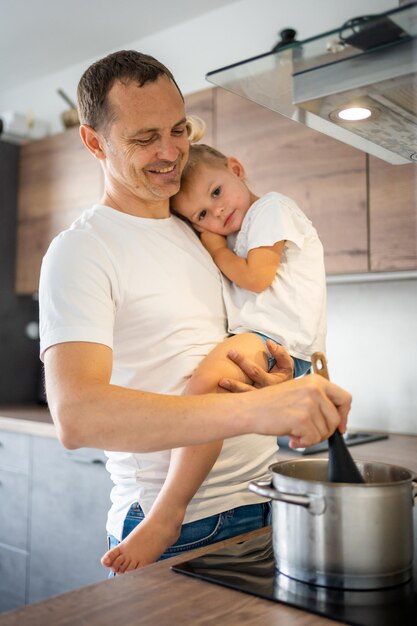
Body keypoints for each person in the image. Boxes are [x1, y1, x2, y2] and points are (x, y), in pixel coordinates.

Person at [38, 50, 351, 576]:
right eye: (143, 138)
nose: (170, 152)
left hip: (265, 501)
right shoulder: (83, 249)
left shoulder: (203, 234)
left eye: (178, 129)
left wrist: (271, 384)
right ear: (95, 141)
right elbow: (77, 416)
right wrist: (255, 412)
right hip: (181, 528)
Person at [101, 142, 327, 573]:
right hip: (271, 340)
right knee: (215, 393)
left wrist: (217, 248)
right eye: (201, 214)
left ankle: (167, 515)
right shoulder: (245, 229)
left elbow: (258, 279)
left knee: (205, 389)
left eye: (217, 193)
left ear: (237, 168)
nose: (216, 214)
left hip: (276, 339)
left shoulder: (271, 209)